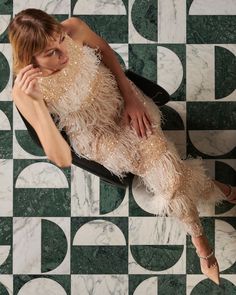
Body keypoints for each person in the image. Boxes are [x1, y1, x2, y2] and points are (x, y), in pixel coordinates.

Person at [8, 8, 235, 285]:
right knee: (171, 179)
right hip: (101, 138)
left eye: (60, 42)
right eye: (50, 53)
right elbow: (59, 155)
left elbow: (105, 52)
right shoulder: (24, 91)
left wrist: (131, 98)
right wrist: (37, 106)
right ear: (30, 58)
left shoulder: (73, 28)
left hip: (123, 102)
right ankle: (206, 230)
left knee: (171, 179)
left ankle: (204, 245)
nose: (62, 53)